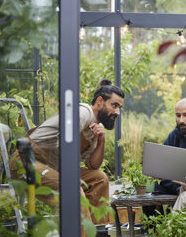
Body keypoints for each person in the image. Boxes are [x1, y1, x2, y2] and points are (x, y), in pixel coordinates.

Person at [10, 79, 124, 225]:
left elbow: (93, 165)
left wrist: (101, 141)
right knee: (73, 191)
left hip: (53, 168)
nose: (117, 112)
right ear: (100, 101)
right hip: (26, 161)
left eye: (120, 107)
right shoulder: (82, 112)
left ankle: (97, 231)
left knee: (99, 179)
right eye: (114, 105)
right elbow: (66, 143)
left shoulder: (94, 128)